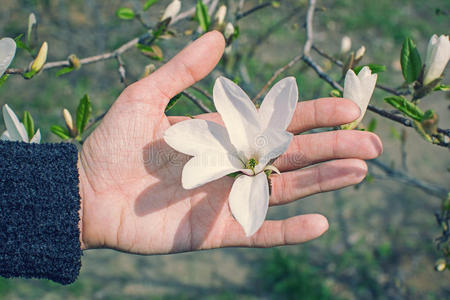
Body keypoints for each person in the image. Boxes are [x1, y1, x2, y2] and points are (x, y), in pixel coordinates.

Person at [0, 31, 382, 284]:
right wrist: (86, 190)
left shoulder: (270, 139)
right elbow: (195, 141)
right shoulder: (236, 153)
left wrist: (81, 192)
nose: (252, 165)